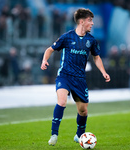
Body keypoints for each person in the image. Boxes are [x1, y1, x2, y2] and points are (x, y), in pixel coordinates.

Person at [41, 8, 110, 146]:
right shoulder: (67, 37)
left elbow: (96, 57)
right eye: (90, 21)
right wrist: (44, 60)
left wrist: (103, 71)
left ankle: (79, 135)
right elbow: (50, 49)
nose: (92, 23)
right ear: (82, 21)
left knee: (83, 110)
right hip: (64, 76)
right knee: (62, 101)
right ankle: (54, 134)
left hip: (79, 79)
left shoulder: (91, 40)